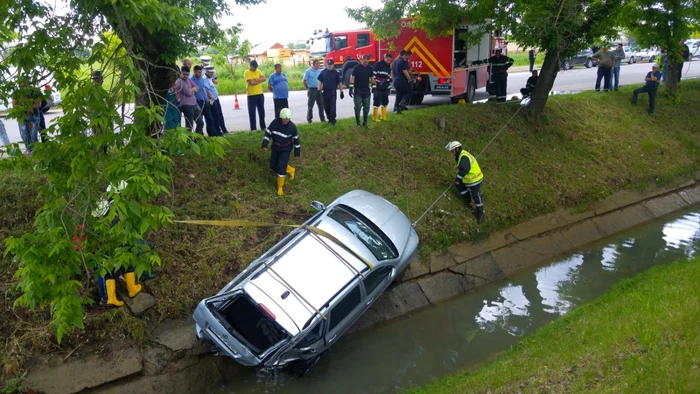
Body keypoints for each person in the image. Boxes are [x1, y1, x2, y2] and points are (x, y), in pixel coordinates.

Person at [262, 108, 300, 196]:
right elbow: (268, 133)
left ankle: (280, 187)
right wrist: (264, 144)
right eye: (284, 119)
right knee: (273, 165)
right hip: (275, 147)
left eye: (287, 119)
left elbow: (296, 141)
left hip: (285, 149)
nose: (285, 121)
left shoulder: (292, 127)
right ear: (280, 118)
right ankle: (290, 169)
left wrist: (297, 153)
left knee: (281, 167)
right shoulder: (274, 123)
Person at [445, 141, 485, 224]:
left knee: (476, 195)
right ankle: (467, 200)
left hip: (475, 179)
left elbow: (465, 169)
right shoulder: (461, 154)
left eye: (452, 151)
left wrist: (458, 179)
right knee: (459, 186)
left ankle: (480, 214)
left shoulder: (463, 157)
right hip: (469, 178)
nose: (451, 153)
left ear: (456, 149)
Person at [12, 79, 42, 155]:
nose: (23, 86)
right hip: (22, 116)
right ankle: (30, 150)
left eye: (25, 84)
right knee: (24, 135)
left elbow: (38, 104)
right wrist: (25, 108)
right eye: (22, 85)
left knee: (33, 136)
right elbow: (14, 105)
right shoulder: (17, 93)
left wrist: (30, 107)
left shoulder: (34, 91)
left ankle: (34, 153)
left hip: (34, 115)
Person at [190, 65, 220, 136]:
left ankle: (213, 135)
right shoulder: (191, 81)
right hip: (198, 102)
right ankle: (199, 136)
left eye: (200, 72)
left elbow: (205, 89)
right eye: (198, 72)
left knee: (210, 119)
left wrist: (210, 97)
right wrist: (196, 105)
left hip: (205, 101)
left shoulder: (202, 79)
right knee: (200, 121)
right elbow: (192, 94)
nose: (199, 74)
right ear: (194, 71)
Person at [349, 54, 375, 128]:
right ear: (362, 60)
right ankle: (358, 122)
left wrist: (374, 87)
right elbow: (352, 78)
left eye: (367, 62)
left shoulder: (370, 68)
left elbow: (372, 78)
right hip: (358, 90)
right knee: (357, 107)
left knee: (366, 107)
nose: (365, 64)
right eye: (364, 62)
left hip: (366, 90)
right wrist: (351, 88)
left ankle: (365, 122)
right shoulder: (356, 68)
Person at [317, 59, 344, 126]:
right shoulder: (323, 72)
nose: (329, 66)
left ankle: (333, 120)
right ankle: (329, 119)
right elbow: (320, 82)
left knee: (332, 107)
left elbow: (340, 83)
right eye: (328, 65)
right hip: (325, 92)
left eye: (330, 65)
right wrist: (318, 90)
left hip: (332, 92)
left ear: (333, 65)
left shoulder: (336, 73)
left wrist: (341, 92)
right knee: (326, 107)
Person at [175, 65, 199, 131]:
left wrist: (191, 89)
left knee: (200, 122)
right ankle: (189, 139)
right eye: (184, 74)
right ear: (181, 73)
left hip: (194, 104)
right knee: (189, 124)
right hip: (187, 105)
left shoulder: (188, 80)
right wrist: (192, 90)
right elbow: (188, 92)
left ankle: (197, 139)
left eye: (187, 75)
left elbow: (197, 87)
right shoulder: (179, 81)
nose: (186, 76)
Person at [244, 60, 267, 131]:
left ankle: (263, 127)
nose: (255, 68)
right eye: (254, 67)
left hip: (260, 94)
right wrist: (259, 80)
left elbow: (264, 78)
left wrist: (256, 79)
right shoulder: (247, 72)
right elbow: (252, 82)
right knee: (252, 112)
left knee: (261, 111)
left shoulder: (258, 71)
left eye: (256, 67)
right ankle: (253, 128)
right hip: (251, 95)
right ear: (250, 66)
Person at [204, 65, 228, 134]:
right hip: (211, 100)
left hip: (215, 98)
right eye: (211, 72)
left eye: (212, 72)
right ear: (207, 72)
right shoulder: (205, 78)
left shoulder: (210, 78)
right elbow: (206, 90)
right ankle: (215, 132)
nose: (212, 74)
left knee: (218, 115)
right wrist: (211, 97)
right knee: (214, 116)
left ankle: (219, 131)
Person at [303, 59, 325, 124]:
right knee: (310, 106)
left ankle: (322, 119)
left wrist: (321, 87)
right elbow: (304, 81)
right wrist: (308, 88)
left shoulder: (320, 71)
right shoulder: (308, 71)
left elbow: (321, 80)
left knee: (321, 105)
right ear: (315, 64)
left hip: (318, 89)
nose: (319, 65)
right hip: (311, 89)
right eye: (318, 64)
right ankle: (309, 120)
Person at [372, 53, 392, 122]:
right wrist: (374, 87)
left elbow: (388, 76)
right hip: (378, 85)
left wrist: (388, 86)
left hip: (385, 85)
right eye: (387, 59)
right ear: (384, 57)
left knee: (385, 101)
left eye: (389, 60)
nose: (388, 61)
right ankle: (375, 117)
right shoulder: (378, 64)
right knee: (377, 100)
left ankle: (383, 116)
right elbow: (373, 76)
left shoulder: (388, 66)